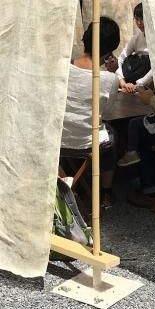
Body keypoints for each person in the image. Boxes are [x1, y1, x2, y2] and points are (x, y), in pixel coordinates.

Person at [60, 17, 121, 209]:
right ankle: (106, 192)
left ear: (85, 39)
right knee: (111, 135)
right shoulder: (109, 79)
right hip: (87, 142)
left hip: (58, 137)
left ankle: (66, 181)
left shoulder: (62, 68)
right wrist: (114, 74)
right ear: (109, 50)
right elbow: (108, 112)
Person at [117, 2, 152, 93]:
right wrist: (122, 82)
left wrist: (139, 84)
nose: (139, 23)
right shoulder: (136, 38)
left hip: (150, 83)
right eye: (136, 19)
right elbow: (121, 58)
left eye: (142, 19)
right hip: (132, 80)